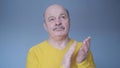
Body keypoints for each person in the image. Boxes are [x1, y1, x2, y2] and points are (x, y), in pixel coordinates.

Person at [26, 4, 95, 68]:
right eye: (52, 19)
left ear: (69, 22)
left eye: (63, 17)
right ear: (45, 26)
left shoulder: (83, 49)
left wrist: (82, 62)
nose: (58, 22)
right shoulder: (34, 52)